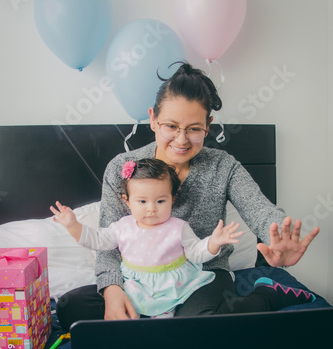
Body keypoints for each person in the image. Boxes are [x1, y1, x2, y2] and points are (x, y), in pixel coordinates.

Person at [55, 62, 319, 331]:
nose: (181, 140)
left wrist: (278, 234)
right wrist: (111, 289)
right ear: (153, 120)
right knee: (71, 310)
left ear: (208, 126)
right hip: (140, 280)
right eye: (171, 126)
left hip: (202, 274)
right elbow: (107, 241)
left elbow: (259, 208)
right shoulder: (122, 168)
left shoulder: (222, 166)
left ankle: (266, 294)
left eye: (194, 129)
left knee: (196, 330)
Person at [50, 158, 243, 318]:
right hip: (135, 284)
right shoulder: (122, 227)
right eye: (142, 201)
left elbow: (195, 253)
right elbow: (97, 240)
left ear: (172, 199)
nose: (151, 208)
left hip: (173, 285)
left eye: (160, 201)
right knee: (121, 313)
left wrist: (213, 242)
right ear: (127, 201)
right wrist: (73, 226)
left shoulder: (178, 227)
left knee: (170, 323)